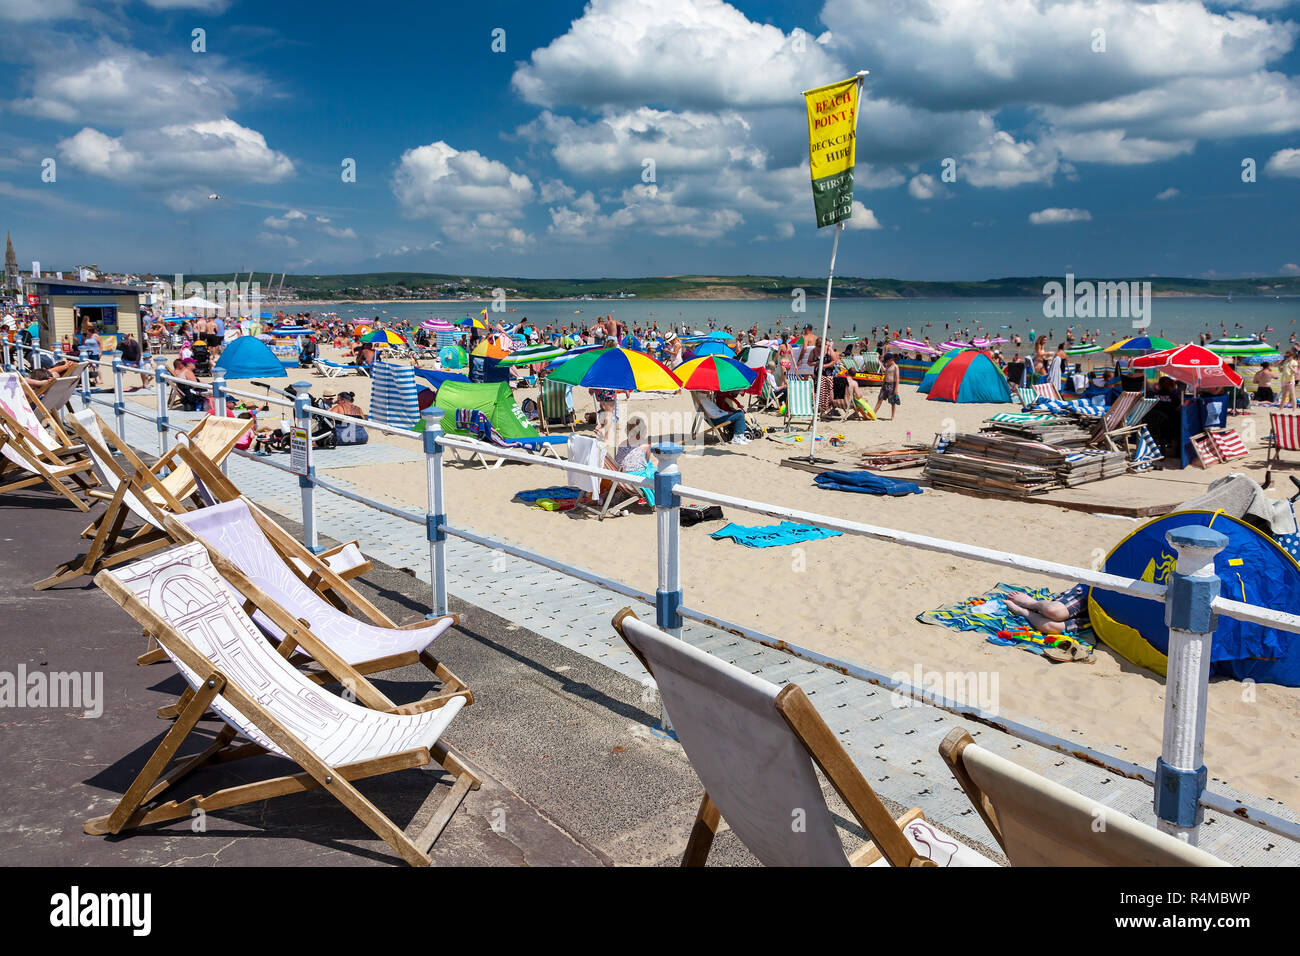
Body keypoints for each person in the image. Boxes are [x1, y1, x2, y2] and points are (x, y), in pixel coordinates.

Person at [875, 353, 901, 420]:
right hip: (885, 384)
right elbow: (885, 376)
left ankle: (892, 416)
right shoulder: (887, 365)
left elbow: (897, 378)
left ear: (891, 359)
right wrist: (882, 386)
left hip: (892, 385)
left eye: (887, 361)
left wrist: (896, 389)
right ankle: (874, 412)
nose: (886, 362)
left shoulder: (895, 366)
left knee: (892, 402)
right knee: (880, 398)